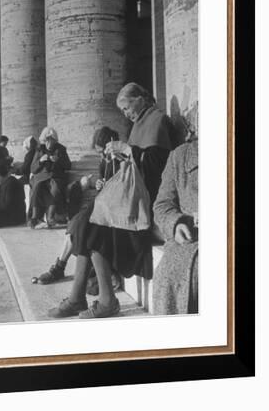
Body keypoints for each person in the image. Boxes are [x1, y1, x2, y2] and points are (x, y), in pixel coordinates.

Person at [48, 82, 176, 319]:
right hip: (130, 199)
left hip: (144, 204)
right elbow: (137, 160)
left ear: (140, 98)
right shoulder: (139, 124)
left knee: (93, 227)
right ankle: (80, 298)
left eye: (127, 108)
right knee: (84, 222)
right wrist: (123, 155)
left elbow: (161, 166)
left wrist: (129, 151)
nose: (126, 114)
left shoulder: (158, 120)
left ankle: (104, 300)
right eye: (123, 111)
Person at [33, 127, 119, 285]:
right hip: (102, 203)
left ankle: (59, 268)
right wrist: (98, 184)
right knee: (76, 223)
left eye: (102, 152)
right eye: (99, 153)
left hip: (113, 209)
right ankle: (59, 266)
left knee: (79, 224)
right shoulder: (105, 162)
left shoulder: (119, 160)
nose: (101, 156)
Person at [152, 114, 198, 315]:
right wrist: (176, 223)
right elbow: (162, 205)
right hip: (188, 241)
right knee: (168, 277)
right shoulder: (179, 157)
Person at [28, 127, 71, 229]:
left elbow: (68, 165)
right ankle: (35, 218)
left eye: (50, 140)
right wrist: (40, 161)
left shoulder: (61, 149)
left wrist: (58, 160)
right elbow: (33, 169)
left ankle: (51, 218)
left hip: (56, 177)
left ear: (54, 140)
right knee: (37, 189)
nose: (48, 143)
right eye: (46, 140)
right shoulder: (39, 149)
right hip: (41, 177)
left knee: (55, 190)